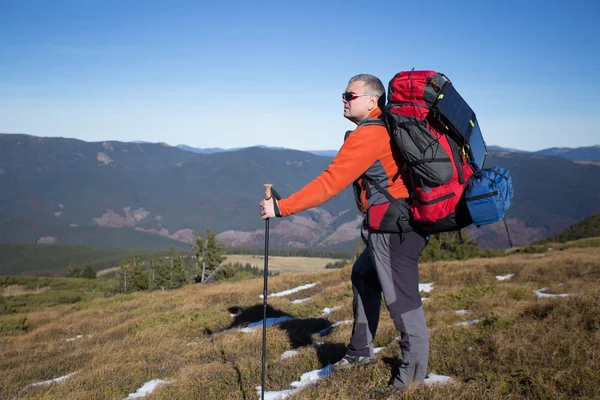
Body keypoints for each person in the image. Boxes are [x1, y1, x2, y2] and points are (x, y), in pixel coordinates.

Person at [259, 74, 429, 390]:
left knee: (403, 303)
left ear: (371, 101)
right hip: (400, 223)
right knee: (364, 275)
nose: (343, 99)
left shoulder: (369, 135)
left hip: (393, 229)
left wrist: (282, 208)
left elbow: (329, 183)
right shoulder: (384, 130)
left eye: (349, 94)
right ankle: (361, 351)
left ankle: (412, 381)